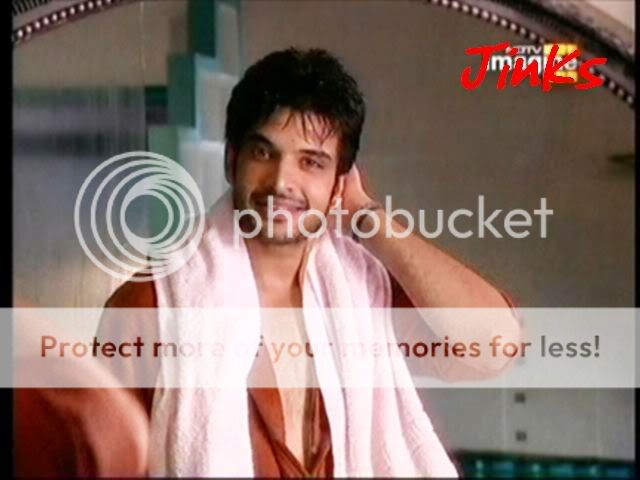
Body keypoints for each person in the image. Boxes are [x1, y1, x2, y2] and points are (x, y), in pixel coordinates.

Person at [103, 47, 520, 477]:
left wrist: (365, 216)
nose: (283, 182)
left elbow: (493, 347)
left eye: (311, 162)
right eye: (264, 153)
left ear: (339, 184)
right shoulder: (150, 305)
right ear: (231, 160)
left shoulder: (362, 293)